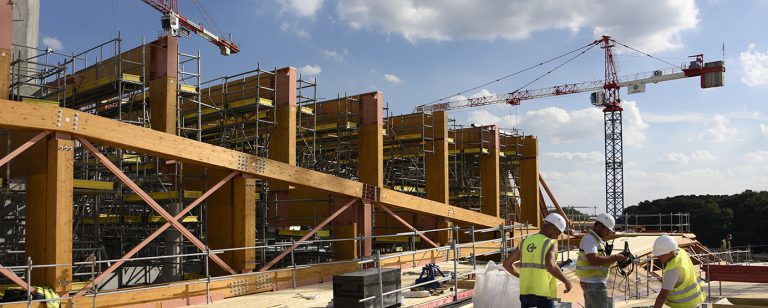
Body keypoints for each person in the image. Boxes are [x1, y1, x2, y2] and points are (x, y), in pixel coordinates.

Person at [502, 213, 572, 308]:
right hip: (544, 294)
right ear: (553, 227)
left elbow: (507, 264)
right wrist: (566, 280)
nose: (557, 237)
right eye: (558, 233)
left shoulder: (525, 241)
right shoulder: (551, 243)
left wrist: (520, 276)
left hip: (525, 293)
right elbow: (550, 266)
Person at [576, 213, 627, 308]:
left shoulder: (596, 240)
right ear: (599, 226)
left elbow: (600, 261)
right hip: (593, 284)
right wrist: (616, 257)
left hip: (593, 283)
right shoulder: (590, 239)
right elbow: (594, 260)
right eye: (607, 230)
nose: (608, 233)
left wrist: (616, 258)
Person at [652, 235, 706, 308]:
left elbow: (662, 296)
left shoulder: (672, 271)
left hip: (685, 305)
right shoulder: (681, 253)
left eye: (660, 255)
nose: (657, 257)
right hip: (696, 301)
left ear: (669, 252)